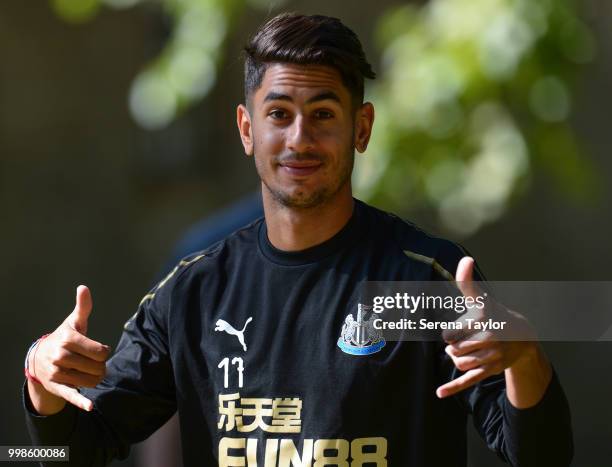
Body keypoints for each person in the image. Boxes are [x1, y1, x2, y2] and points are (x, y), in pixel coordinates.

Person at [23, 13, 572, 466]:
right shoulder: (193, 290)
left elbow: (543, 456)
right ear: (246, 129)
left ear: (362, 128)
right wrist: (42, 383)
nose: (300, 139)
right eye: (279, 114)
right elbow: (71, 452)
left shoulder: (418, 280)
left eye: (323, 114)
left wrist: (525, 360)